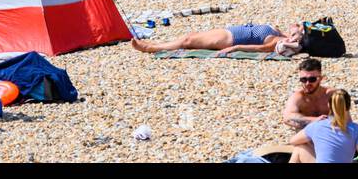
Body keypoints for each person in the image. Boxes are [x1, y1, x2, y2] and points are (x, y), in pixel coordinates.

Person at [289, 90, 358, 163]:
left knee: (299, 148)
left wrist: (315, 143)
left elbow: (293, 141)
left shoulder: (317, 126)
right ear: (349, 106)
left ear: (329, 106)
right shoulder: (357, 130)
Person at [130, 22, 304, 56]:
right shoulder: (281, 33)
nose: (294, 30)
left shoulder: (276, 42)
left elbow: (259, 49)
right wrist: (296, 29)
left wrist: (236, 48)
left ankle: (150, 48)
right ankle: (155, 45)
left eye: (296, 35)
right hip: (231, 31)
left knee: (188, 42)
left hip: (231, 38)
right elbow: (295, 25)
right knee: (189, 37)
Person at [282, 58, 333, 130]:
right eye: (303, 80)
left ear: (321, 78)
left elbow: (346, 118)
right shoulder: (298, 97)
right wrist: (314, 120)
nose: (307, 83)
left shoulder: (331, 95)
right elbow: (287, 117)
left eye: (312, 79)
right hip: (308, 132)